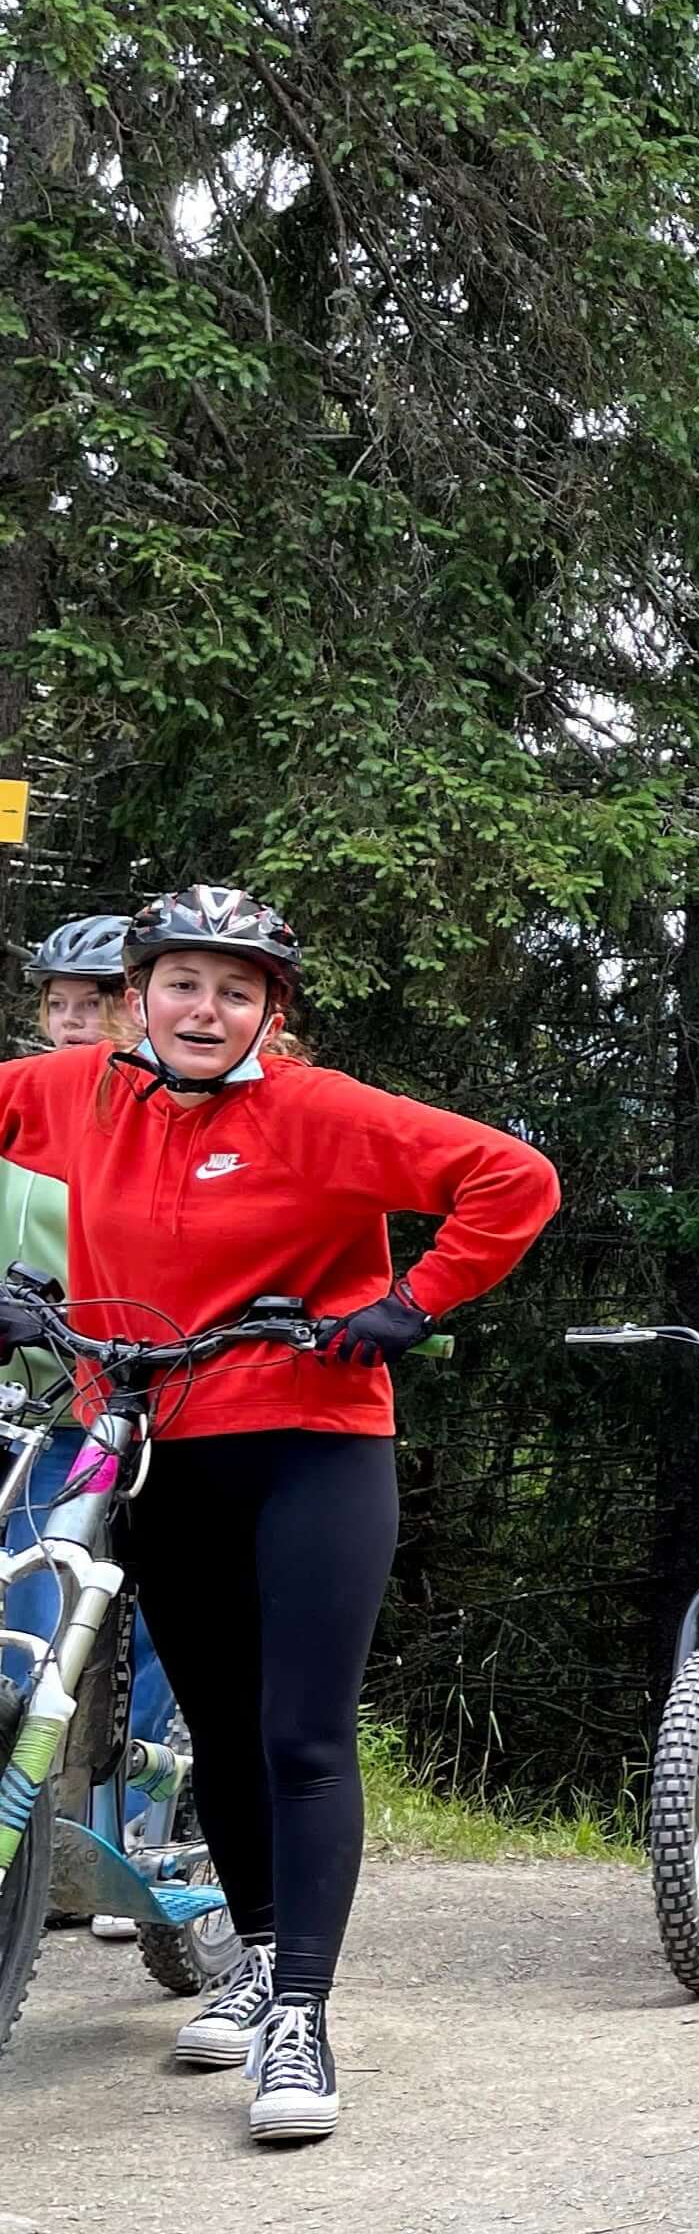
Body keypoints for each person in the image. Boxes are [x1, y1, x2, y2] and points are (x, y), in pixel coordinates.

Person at [0, 886, 559, 2143]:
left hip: (311, 1440)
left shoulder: (317, 1111)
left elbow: (513, 1179)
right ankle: (257, 1956)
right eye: (185, 985)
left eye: (237, 991)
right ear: (136, 996)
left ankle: (301, 2013)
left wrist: (409, 1305)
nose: (208, 1010)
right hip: (155, 1441)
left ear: (271, 1013)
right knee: (218, 1726)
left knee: (301, 1732)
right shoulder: (80, 1089)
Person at [4, 915, 179, 1937]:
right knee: (21, 1616)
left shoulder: (150, 1115)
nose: (72, 1025)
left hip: (120, 1406)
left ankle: (138, 1822)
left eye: (96, 1006)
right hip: (23, 1401)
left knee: (143, 1622)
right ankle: (29, 1843)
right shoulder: (24, 1114)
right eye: (57, 1007)